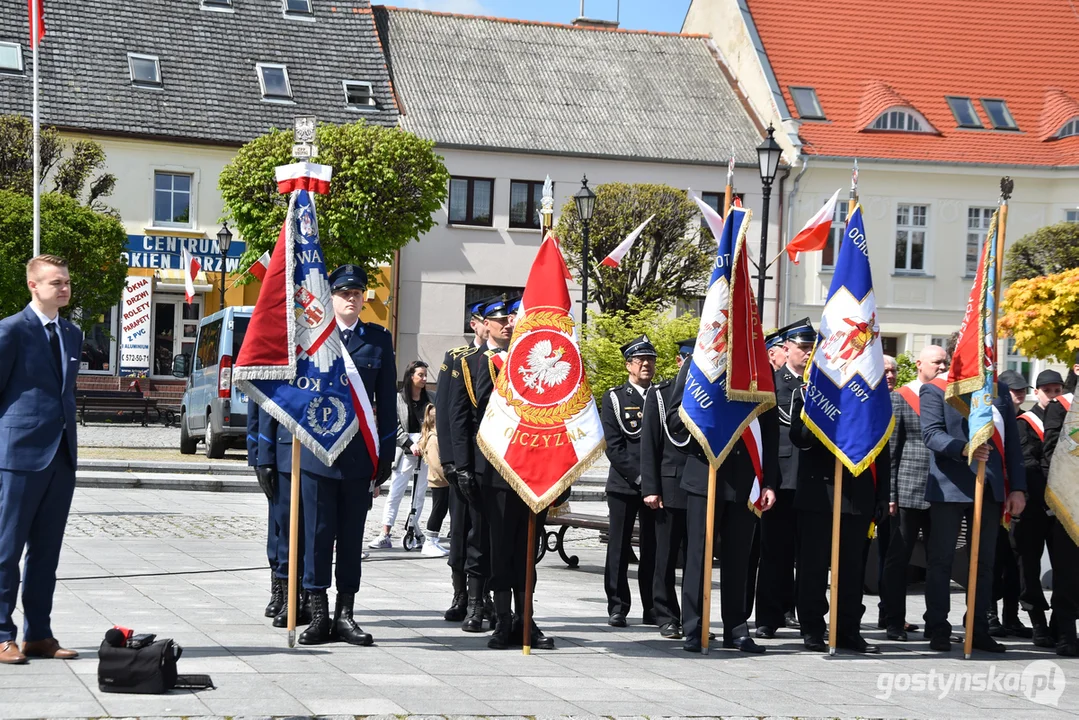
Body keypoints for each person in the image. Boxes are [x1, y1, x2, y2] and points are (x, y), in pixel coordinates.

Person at [264, 264, 397, 645]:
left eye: (357, 293)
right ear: (331, 298)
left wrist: (384, 454)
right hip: (317, 454)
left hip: (358, 457)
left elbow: (386, 403)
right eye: (343, 293)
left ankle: (346, 615)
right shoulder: (313, 340)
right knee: (318, 536)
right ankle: (318, 614)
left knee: (351, 539)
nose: (351, 298)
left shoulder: (377, 341)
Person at [449, 299, 554, 649]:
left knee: (528, 548)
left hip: (531, 471)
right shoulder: (474, 362)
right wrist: (462, 467)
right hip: (492, 470)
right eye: (499, 321)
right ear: (485, 325)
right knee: (497, 549)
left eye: (511, 319)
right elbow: (462, 418)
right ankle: (503, 619)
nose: (507, 325)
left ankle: (527, 620)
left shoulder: (533, 365)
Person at [0, 255, 83, 665]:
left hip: (61, 456)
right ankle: (1, 634)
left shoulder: (72, 332)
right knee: (6, 549)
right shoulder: (11, 331)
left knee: (46, 553)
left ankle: (39, 634)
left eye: (66, 282)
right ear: (33, 285)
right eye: (56, 282)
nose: (64, 288)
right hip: (18, 455)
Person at [666, 358, 778, 654]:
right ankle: (693, 627)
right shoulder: (699, 362)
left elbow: (770, 429)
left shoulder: (757, 366)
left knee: (739, 559)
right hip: (706, 476)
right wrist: (708, 411)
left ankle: (737, 629)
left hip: (746, 478)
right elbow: (674, 421)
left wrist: (770, 482)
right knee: (698, 557)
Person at [920, 370, 1026, 653]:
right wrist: (964, 449)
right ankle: (938, 627)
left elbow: (1011, 442)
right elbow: (931, 434)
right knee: (941, 560)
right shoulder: (935, 389)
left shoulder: (998, 389)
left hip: (988, 486)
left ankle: (978, 628)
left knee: (984, 563)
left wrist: (1017, 487)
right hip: (949, 486)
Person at [790, 386, 890, 654]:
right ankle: (812, 629)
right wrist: (818, 412)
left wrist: (882, 495)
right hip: (819, 495)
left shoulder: (868, 393)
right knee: (813, 568)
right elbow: (799, 438)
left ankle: (848, 630)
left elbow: (882, 444)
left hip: (857, 494)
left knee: (852, 569)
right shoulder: (808, 392)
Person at [880, 345, 946, 641]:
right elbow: (892, 451)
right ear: (920, 364)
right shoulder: (901, 397)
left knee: (938, 561)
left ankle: (936, 624)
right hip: (907, 490)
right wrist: (890, 493)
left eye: (945, 362)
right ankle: (894, 621)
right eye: (936, 362)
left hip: (942, 492)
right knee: (898, 559)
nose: (942, 367)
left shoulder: (948, 395)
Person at [755, 318, 814, 638]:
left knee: (811, 556)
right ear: (786, 348)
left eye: (810, 347)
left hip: (815, 481)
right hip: (781, 480)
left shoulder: (821, 386)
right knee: (775, 552)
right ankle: (768, 616)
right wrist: (767, 481)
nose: (807, 353)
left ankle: (808, 617)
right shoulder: (771, 384)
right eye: (802, 347)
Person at [435, 303, 489, 624]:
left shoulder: (506, 359)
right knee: (461, 530)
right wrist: (451, 462)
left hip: (491, 462)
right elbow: (445, 412)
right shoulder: (458, 358)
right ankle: (460, 594)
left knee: (486, 532)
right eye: (487, 321)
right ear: (475, 324)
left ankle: (485, 596)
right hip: (463, 458)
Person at [600, 335, 658, 628]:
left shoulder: (662, 396)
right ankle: (618, 606)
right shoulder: (614, 397)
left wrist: (653, 484)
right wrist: (640, 478)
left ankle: (652, 607)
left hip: (655, 489)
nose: (646, 364)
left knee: (653, 548)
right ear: (629, 366)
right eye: (640, 360)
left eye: (651, 359)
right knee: (619, 547)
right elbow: (614, 445)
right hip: (625, 485)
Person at [640, 339, 693, 639]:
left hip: (699, 487)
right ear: (678, 361)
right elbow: (650, 444)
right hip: (669, 485)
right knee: (665, 555)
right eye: (688, 359)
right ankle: (665, 614)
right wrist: (651, 487)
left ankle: (692, 617)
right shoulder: (660, 395)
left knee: (695, 558)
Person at [1013, 369, 1066, 647]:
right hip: (1034, 504)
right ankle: (1038, 624)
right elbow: (1026, 462)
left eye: (1058, 390)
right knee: (1029, 567)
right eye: (1048, 391)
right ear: (1037, 393)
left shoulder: (1071, 419)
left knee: (1065, 567)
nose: (1053, 395)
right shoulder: (1026, 422)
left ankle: (1061, 622)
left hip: (1062, 506)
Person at [249, 405, 309, 628]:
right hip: (279, 448)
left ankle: (305, 593)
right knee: (280, 527)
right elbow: (258, 408)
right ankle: (280, 588)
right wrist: (259, 456)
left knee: (307, 529)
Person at [369, 361, 433, 549]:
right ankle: (385, 533)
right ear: (411, 376)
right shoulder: (398, 399)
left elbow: (434, 423)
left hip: (425, 449)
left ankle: (412, 528)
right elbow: (394, 425)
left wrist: (425, 441)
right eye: (420, 375)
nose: (424, 379)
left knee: (419, 493)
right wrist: (409, 444)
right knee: (396, 492)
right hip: (405, 450)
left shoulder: (430, 399)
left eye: (425, 375)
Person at [1042, 391, 1078, 656]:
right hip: (1071, 497)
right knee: (1068, 571)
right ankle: (1065, 634)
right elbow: (1052, 452)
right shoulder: (1063, 405)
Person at [419, 404, 450, 556]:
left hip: (442, 480)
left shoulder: (437, 437)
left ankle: (434, 540)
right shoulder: (433, 439)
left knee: (441, 510)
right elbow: (436, 464)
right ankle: (430, 541)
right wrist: (449, 476)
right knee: (438, 510)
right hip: (439, 480)